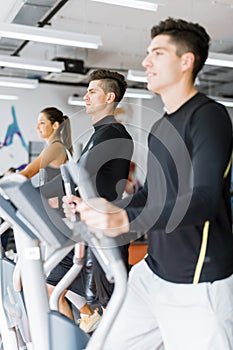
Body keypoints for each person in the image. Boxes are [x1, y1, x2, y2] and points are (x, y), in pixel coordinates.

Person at [67, 18, 233, 349]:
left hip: (195, 283)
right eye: (147, 53)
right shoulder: (161, 127)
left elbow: (204, 199)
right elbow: (147, 194)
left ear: (186, 62)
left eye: (157, 53)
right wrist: (105, 207)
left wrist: (127, 219)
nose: (146, 61)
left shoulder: (209, 116)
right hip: (152, 272)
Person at [46, 69, 133, 333]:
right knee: (53, 285)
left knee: (105, 308)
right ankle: (72, 336)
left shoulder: (114, 133)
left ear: (109, 97)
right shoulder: (98, 133)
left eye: (92, 92)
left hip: (103, 233)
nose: (85, 97)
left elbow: (82, 176)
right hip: (85, 229)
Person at [19, 107, 72, 185]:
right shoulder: (54, 146)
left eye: (42, 123)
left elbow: (28, 173)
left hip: (56, 196)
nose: (37, 127)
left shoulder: (56, 147)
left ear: (55, 125)